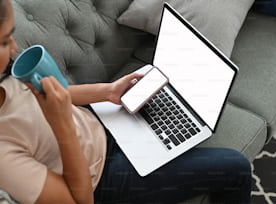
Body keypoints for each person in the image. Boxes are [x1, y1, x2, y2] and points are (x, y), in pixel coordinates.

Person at [0, 0, 252, 203]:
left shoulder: (6, 72)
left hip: (102, 121)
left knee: (183, 103)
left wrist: (108, 92)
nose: (13, 48)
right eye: (2, 42)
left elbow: (59, 94)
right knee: (236, 168)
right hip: (103, 178)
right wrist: (63, 122)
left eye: (10, 36)